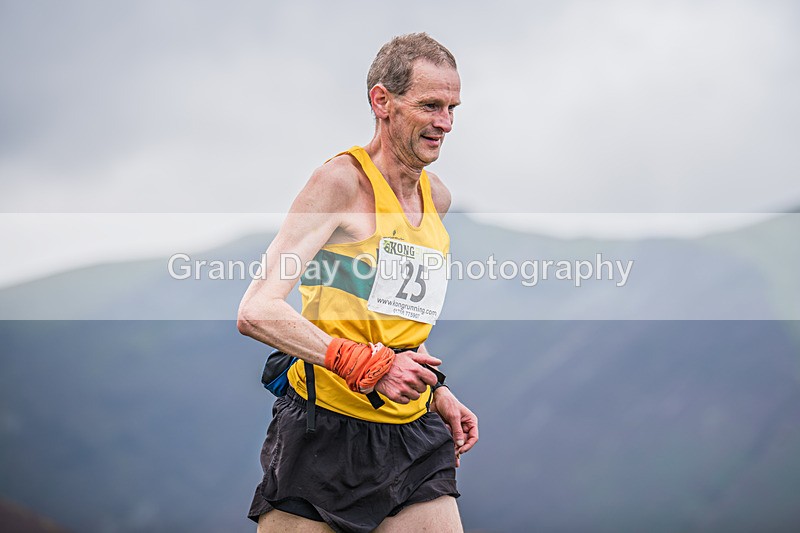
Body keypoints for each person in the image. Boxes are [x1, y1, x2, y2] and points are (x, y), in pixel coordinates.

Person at [237, 32, 478, 533]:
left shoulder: (438, 198)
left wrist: (435, 391)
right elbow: (258, 309)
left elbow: (397, 318)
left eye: (453, 107)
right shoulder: (341, 183)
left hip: (411, 437)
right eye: (431, 105)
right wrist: (364, 364)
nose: (445, 123)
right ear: (382, 101)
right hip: (322, 433)